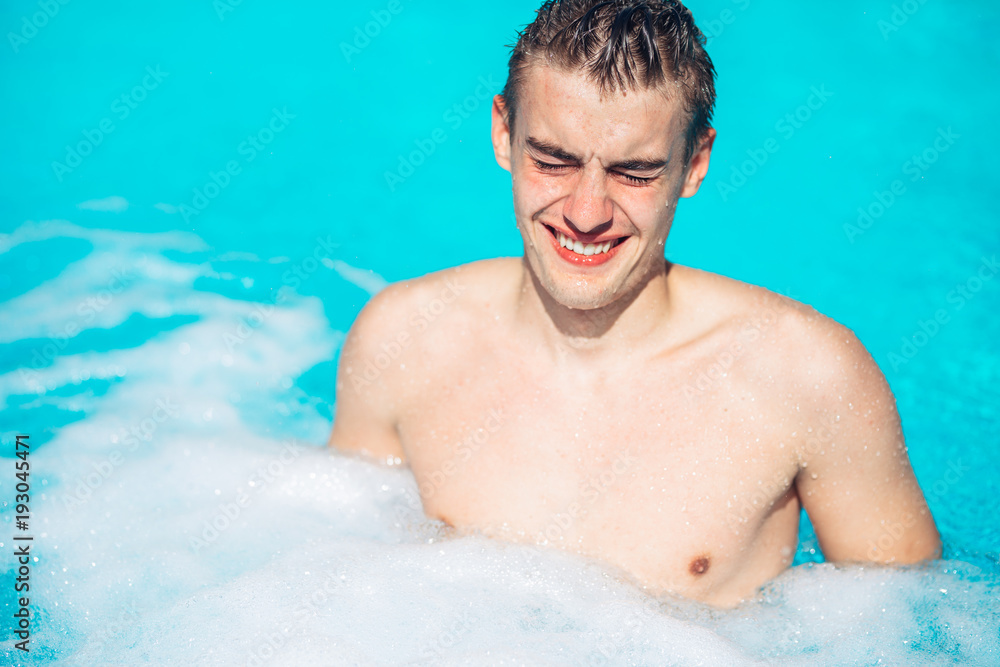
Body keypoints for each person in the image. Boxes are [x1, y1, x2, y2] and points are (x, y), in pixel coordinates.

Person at [328, 0, 941, 607]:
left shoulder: (808, 376)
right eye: (552, 160)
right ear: (502, 133)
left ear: (694, 163)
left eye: (635, 173)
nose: (587, 213)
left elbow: (908, 623)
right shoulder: (403, 339)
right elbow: (337, 581)